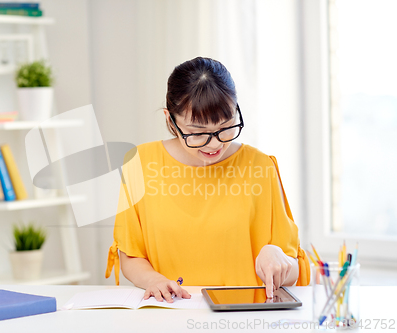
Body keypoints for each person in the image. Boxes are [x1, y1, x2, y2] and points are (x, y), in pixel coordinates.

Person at [105, 57, 310, 303]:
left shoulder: (260, 166)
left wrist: (277, 256)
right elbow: (131, 255)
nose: (215, 144)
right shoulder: (139, 164)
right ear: (170, 120)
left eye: (226, 127)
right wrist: (153, 280)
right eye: (197, 133)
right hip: (171, 313)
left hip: (244, 317)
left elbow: (294, 269)